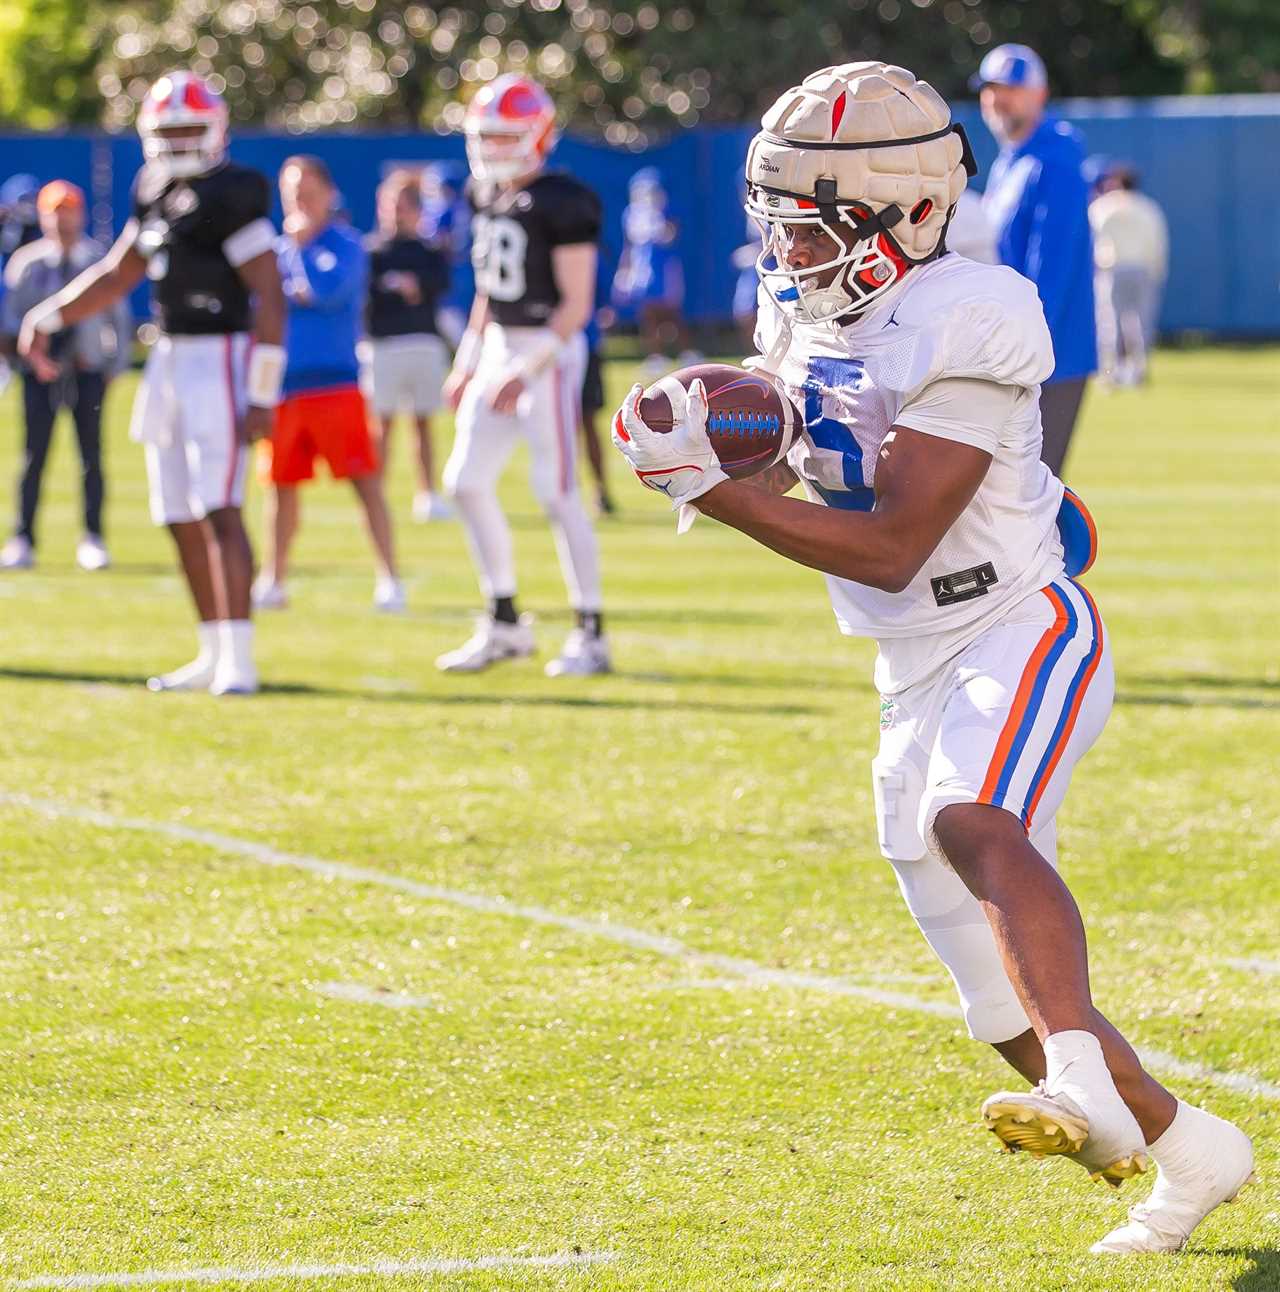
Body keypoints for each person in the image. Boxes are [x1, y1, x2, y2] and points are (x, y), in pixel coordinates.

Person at [612, 61, 1254, 1256]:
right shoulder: (806, 309)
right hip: (904, 661)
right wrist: (722, 419)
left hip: (1014, 621)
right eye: (779, 219)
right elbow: (808, 428)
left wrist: (713, 488)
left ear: (901, 208)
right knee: (984, 999)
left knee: (974, 818)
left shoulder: (979, 305)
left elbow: (896, 542)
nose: (786, 244)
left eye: (809, 220)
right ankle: (1185, 1148)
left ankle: (1081, 1081)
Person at [19, 72, 285, 695]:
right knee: (173, 510)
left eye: (191, 127)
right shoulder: (153, 186)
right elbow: (119, 273)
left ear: (216, 128)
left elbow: (269, 295)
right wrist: (49, 314)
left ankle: (240, 660)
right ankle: (211, 647)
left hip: (221, 352)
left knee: (220, 505)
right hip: (167, 355)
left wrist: (263, 391)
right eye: (171, 130)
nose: (182, 140)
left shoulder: (235, 191)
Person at [438, 73, 608, 677]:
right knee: (464, 481)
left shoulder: (565, 201)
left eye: (507, 136)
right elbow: (488, 291)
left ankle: (590, 631)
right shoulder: (484, 194)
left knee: (558, 493)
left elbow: (576, 306)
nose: (493, 149)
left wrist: (525, 370)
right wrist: (468, 360)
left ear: (539, 136)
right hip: (498, 349)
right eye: (487, 136)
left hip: (549, 352)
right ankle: (505, 619)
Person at [252, 155, 403, 614]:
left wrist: (298, 261)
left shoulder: (345, 244)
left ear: (327, 193)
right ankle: (273, 579)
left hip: (336, 385)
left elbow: (328, 292)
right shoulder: (275, 251)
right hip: (284, 387)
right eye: (290, 190)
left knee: (365, 482)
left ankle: (390, 579)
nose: (298, 199)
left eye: (306, 189)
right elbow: (261, 305)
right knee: (280, 488)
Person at [974, 44, 1096, 477]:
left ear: (1039, 94)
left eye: (1012, 88)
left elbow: (1053, 269)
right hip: (1013, 351)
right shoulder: (1011, 162)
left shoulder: (1054, 159)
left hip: (1046, 357)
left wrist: (1027, 353)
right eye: (991, 89)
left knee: (1026, 496)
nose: (999, 99)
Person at [1, 181, 130, 571]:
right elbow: (11, 320)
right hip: (39, 372)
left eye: (69, 209)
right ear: (42, 215)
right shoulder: (28, 262)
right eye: (55, 210)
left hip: (86, 368)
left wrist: (113, 367)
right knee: (33, 455)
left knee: (91, 455)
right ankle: (23, 538)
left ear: (82, 213)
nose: (62, 218)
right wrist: (32, 360)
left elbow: (118, 319)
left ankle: (93, 537)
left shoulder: (99, 260)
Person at [364, 169, 453, 523]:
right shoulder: (371, 251)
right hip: (382, 346)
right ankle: (377, 495)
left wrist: (412, 285)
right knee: (381, 425)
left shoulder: (430, 250)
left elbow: (437, 287)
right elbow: (367, 294)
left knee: (422, 424)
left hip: (423, 344)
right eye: (388, 205)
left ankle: (427, 493)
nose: (393, 213)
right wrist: (395, 287)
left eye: (400, 206)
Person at [1090, 164, 1169, 387]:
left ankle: (1111, 372)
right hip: (1142, 269)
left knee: (1109, 322)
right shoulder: (1149, 208)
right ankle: (1138, 371)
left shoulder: (1103, 207)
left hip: (1112, 269)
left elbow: (1091, 236)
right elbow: (1158, 242)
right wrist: (1158, 270)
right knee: (1142, 322)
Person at [610, 168, 694, 377]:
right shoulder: (630, 214)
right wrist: (624, 270)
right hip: (641, 269)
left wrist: (661, 225)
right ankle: (656, 357)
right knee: (646, 314)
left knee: (670, 313)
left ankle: (687, 353)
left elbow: (672, 236)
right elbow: (629, 245)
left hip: (663, 268)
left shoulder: (666, 210)